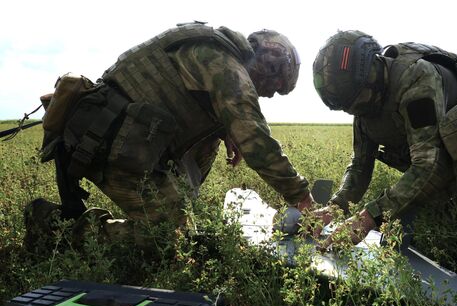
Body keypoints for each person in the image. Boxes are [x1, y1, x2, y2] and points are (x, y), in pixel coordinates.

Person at [24, 22, 314, 250]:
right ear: (270, 67)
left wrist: (224, 129)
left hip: (126, 139)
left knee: (181, 219)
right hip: (107, 142)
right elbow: (255, 138)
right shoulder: (225, 67)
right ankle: (51, 227)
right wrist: (301, 198)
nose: (269, 94)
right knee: (166, 235)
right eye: (273, 87)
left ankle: (175, 220)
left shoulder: (214, 52)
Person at [311, 30, 457, 250]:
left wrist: (369, 217)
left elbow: (430, 164)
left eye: (357, 99)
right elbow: (360, 167)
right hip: (441, 153)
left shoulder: (415, 78)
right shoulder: (364, 106)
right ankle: (447, 208)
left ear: (372, 72)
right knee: (423, 220)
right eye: (347, 106)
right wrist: (334, 208)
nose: (354, 110)